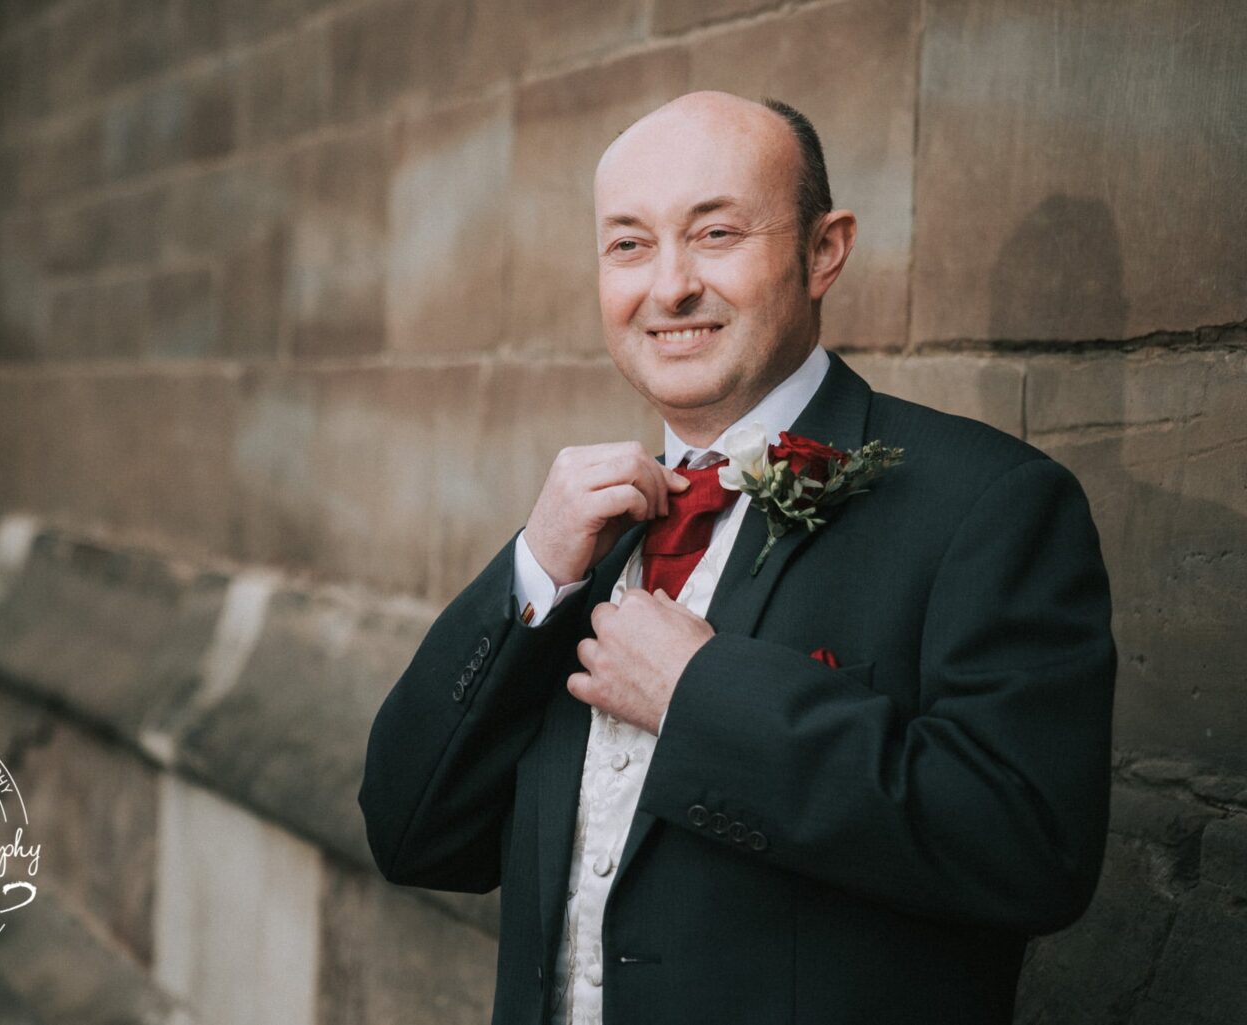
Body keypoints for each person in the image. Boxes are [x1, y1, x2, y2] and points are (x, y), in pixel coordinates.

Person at [358, 91, 1115, 1025]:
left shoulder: (990, 505)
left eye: (715, 234)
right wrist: (532, 574)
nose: (668, 285)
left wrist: (702, 697)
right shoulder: (587, 537)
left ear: (822, 249)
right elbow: (409, 833)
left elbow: (1029, 851)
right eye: (629, 245)